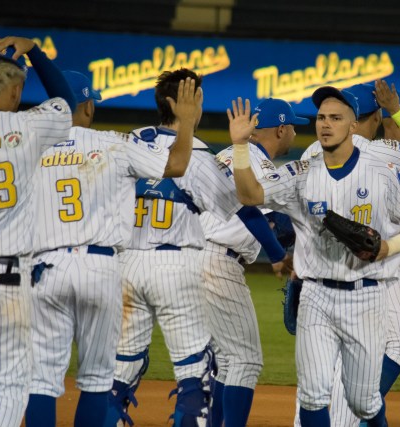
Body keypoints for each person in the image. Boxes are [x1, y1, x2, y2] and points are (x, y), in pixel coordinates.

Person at [230, 88, 400, 427]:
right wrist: (239, 146)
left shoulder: (380, 170)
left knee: (363, 401)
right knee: (312, 394)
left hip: (367, 296)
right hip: (316, 297)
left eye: (336, 118)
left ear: (353, 125)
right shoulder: (300, 173)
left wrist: (387, 248)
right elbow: (250, 195)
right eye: (321, 117)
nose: (326, 124)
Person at [103, 70, 291, 427]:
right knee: (196, 373)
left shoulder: (130, 143)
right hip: (177, 265)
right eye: (198, 98)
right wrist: (279, 254)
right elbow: (246, 209)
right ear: (185, 103)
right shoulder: (197, 156)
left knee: (122, 371)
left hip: (125, 265)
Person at [25, 71, 199, 427]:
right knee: (95, 380)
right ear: (87, 105)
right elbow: (177, 165)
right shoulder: (113, 143)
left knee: (42, 379)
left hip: (46, 267)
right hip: (100, 267)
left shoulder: (31, 147)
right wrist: (184, 124)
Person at [295, 81, 400, 427]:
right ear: (378, 116)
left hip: (357, 270)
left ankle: (338, 416)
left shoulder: (373, 153)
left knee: (337, 373)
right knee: (393, 352)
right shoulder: (380, 154)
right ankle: (342, 419)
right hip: (368, 273)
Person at [0, 36, 76, 427]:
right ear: (16, 90)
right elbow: (67, 102)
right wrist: (35, 51)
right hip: (4, 279)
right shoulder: (28, 126)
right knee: (9, 388)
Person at [200, 97, 306, 427]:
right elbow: (250, 212)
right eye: (293, 127)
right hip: (217, 261)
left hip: (195, 256)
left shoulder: (228, 154)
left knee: (228, 360)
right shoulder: (255, 163)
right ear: (282, 129)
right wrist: (277, 256)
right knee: (246, 360)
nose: (294, 134)